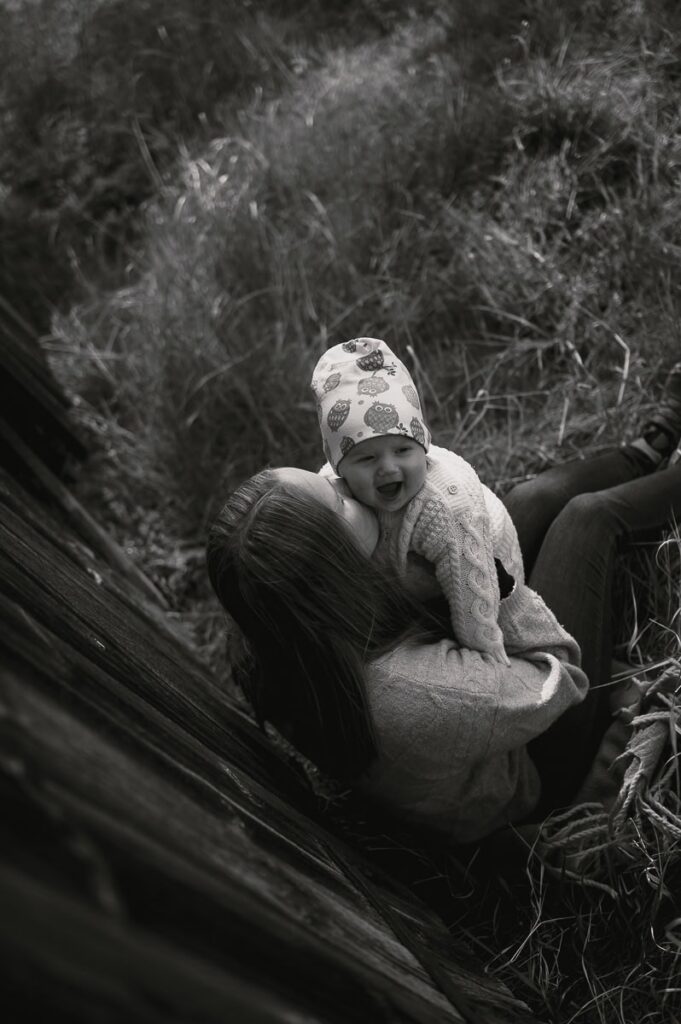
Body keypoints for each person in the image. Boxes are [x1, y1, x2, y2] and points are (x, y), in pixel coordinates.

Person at [206, 364, 681, 844]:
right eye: (337, 498)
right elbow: (559, 679)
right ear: (333, 571)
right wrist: (502, 592)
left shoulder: (276, 619)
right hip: (534, 760)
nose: (340, 480)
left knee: (529, 500)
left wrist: (460, 557)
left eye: (324, 476)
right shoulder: (416, 697)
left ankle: (646, 451)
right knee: (586, 520)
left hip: (469, 718)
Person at [311, 338, 523, 667]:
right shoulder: (333, 488)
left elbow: (471, 587)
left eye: (402, 450)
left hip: (490, 566)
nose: (388, 468)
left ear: (422, 444)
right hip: (414, 574)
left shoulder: (447, 507)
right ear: (339, 467)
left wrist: (483, 646)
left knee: (490, 615)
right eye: (367, 458)